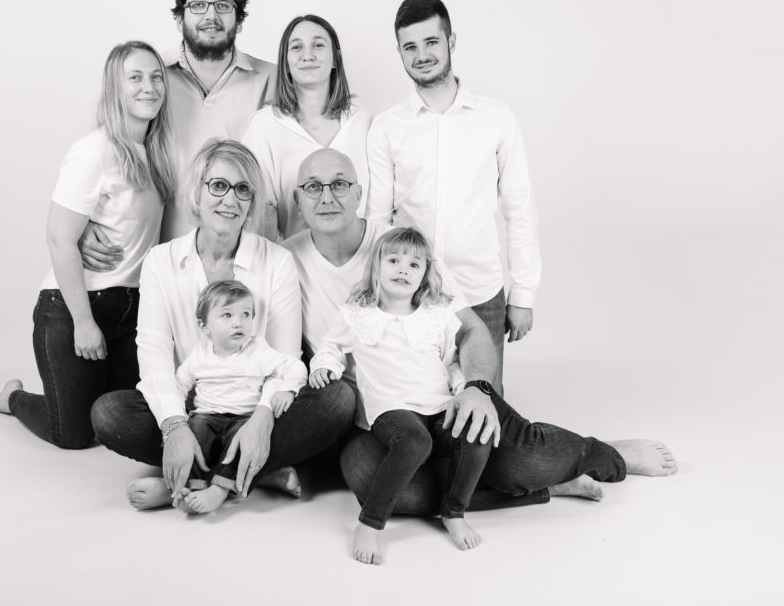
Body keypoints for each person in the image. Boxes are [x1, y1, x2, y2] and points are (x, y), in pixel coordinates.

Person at [284, 149, 678, 564]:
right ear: (298, 199)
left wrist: (472, 388)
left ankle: (599, 452)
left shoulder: (399, 247)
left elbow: (468, 328)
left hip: (439, 396)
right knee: (385, 486)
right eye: (313, 186)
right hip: (374, 416)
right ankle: (551, 486)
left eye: (340, 184)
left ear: (358, 191)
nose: (327, 196)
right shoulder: (285, 257)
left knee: (518, 459)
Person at [89, 140, 354, 508]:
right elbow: (153, 354)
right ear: (197, 193)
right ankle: (252, 471)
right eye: (218, 185)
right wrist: (175, 426)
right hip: (195, 406)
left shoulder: (277, 261)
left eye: (242, 189)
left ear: (251, 203)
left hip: (257, 407)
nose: (230, 200)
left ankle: (184, 485)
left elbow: (285, 358)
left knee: (337, 400)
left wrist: (261, 421)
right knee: (108, 413)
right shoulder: (160, 261)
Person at [0, 41, 174, 449]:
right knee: (74, 436)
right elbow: (59, 238)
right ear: (114, 88)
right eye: (136, 78)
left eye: (156, 76)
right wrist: (84, 323)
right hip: (74, 308)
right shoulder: (93, 151)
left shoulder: (156, 153)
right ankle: (13, 398)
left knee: (117, 416)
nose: (149, 86)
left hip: (131, 310)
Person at [366, 0, 542, 392]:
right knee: (423, 415)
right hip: (411, 296)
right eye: (410, 47)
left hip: (481, 293)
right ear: (399, 52)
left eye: (431, 42)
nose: (422, 54)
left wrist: (524, 294)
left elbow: (520, 209)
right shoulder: (387, 127)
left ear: (451, 41)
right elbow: (378, 221)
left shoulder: (497, 118)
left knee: (486, 418)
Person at [310, 228, 493, 563]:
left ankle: (454, 512)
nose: (402, 269)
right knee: (414, 442)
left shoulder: (437, 317)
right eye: (393, 260)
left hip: (438, 404)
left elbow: (450, 363)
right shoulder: (357, 315)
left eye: (413, 264)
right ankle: (370, 523)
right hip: (391, 407)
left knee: (476, 434)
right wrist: (325, 366)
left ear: (425, 275)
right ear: (376, 268)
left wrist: (461, 390)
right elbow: (330, 346)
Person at [81, 0, 276, 266]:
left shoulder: (273, 80)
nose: (210, 16)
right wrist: (86, 221)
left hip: (247, 264)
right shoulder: (151, 79)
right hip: (162, 262)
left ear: (239, 20)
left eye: (223, 5)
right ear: (178, 18)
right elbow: (109, 151)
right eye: (198, 5)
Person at [130, 280, 307, 514]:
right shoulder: (199, 354)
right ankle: (187, 488)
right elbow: (178, 386)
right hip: (205, 415)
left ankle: (218, 490)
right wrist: (175, 421)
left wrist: (289, 389)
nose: (238, 322)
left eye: (246, 314)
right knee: (194, 440)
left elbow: (294, 366)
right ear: (205, 327)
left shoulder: (258, 350)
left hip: (244, 419)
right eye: (227, 315)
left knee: (238, 448)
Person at [241, 14, 371, 240]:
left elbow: (375, 209)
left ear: (334, 59)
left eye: (318, 45)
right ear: (286, 63)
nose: (307, 55)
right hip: (292, 266)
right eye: (297, 47)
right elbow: (260, 216)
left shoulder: (362, 121)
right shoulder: (264, 127)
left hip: (363, 263)